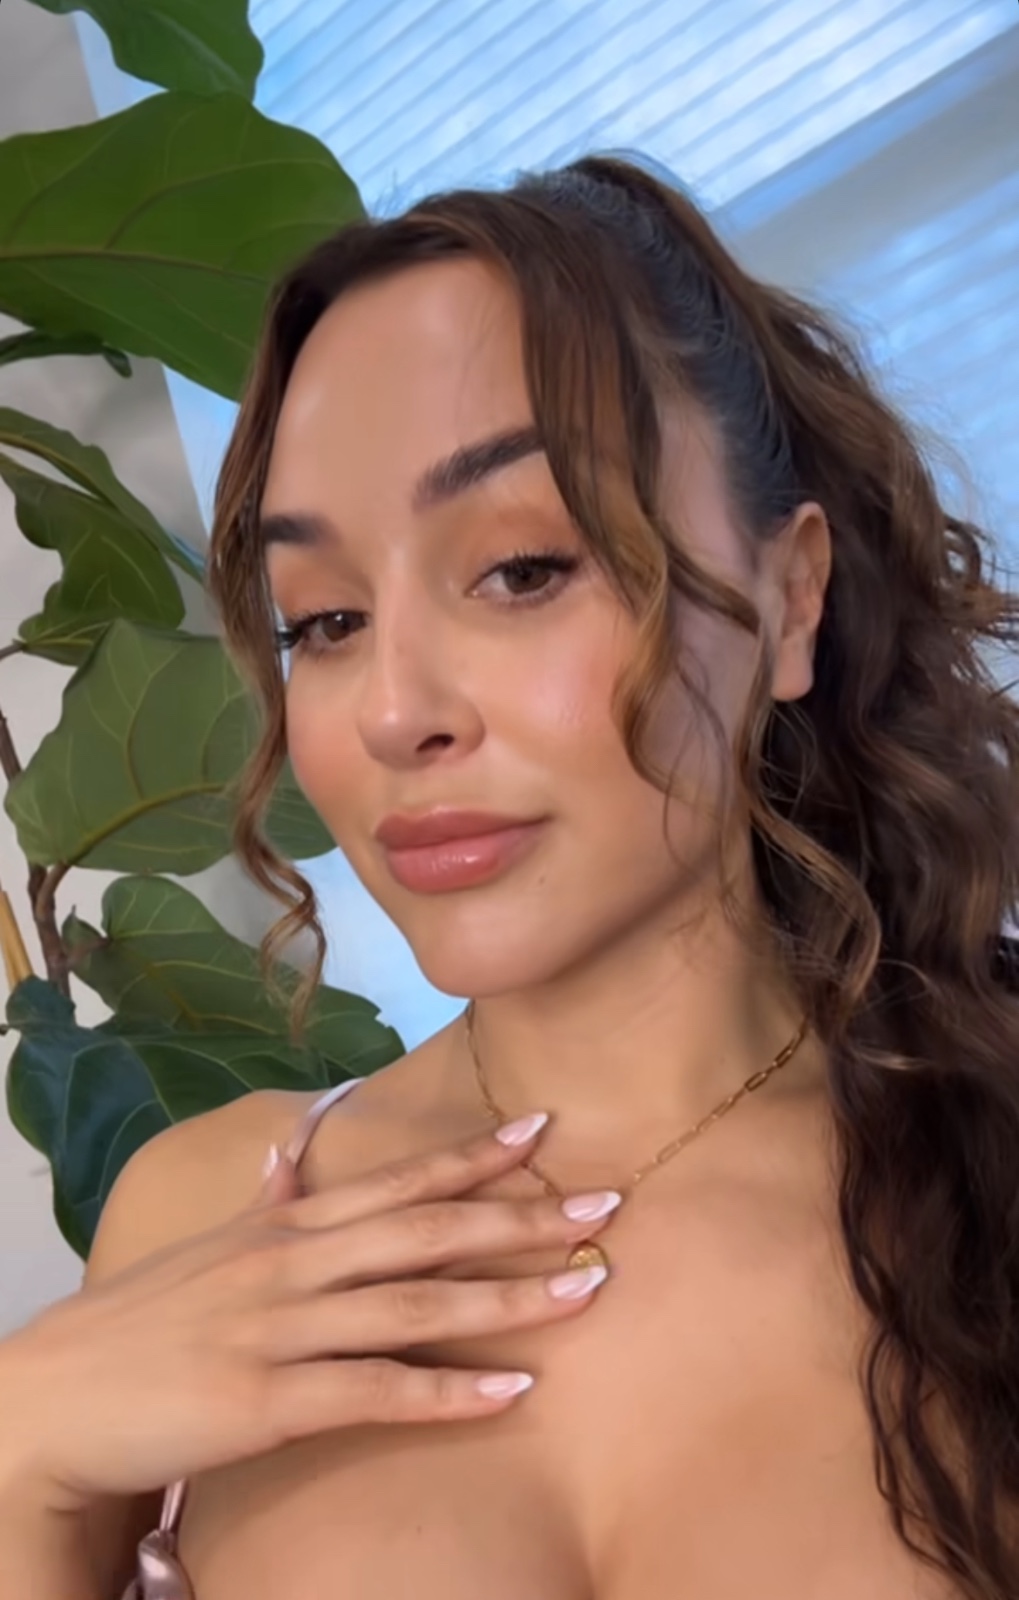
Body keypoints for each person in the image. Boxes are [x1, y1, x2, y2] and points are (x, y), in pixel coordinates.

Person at [0, 154, 1017, 1600]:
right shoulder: (202, 1212)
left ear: (791, 598)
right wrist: (24, 1457)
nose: (392, 710)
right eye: (325, 619)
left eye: (524, 568)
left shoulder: (990, 1153)